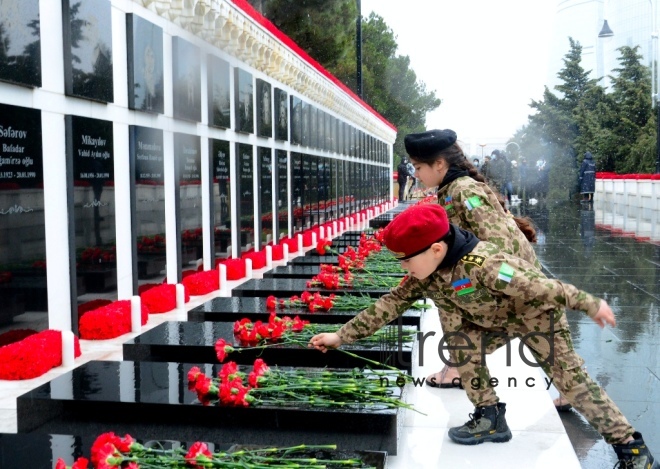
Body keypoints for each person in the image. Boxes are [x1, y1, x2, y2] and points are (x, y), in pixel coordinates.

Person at [309, 204, 658, 468]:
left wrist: (589, 303)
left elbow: (539, 286)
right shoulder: (425, 273)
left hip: (534, 316)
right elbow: (390, 304)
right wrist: (340, 336)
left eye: (406, 261)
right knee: (461, 345)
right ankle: (490, 416)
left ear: (435, 249)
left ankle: (632, 447)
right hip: (489, 320)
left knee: (572, 380)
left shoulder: (486, 265)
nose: (404, 268)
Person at [401, 129, 538, 390]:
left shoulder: (463, 190)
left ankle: (457, 366)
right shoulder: (452, 188)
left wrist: (494, 280)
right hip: (507, 269)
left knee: (449, 294)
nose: (416, 174)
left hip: (509, 271)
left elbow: (496, 239)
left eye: (418, 167)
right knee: (538, 326)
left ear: (439, 164)